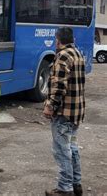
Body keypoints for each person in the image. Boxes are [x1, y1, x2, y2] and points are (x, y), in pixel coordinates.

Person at [43, 27, 86, 196]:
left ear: (58, 40)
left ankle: (64, 188)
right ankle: (76, 184)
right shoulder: (78, 54)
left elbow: (59, 86)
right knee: (72, 147)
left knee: (62, 150)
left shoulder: (63, 56)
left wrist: (50, 106)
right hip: (76, 112)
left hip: (64, 113)